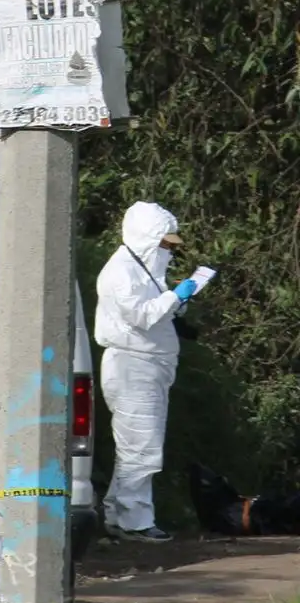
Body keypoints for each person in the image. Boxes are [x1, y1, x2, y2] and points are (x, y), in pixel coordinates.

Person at [93, 201, 197, 543]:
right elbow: (142, 315)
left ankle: (115, 515)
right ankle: (136, 522)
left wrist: (177, 299)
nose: (169, 250)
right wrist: (174, 297)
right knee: (141, 446)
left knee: (135, 445)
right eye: (165, 244)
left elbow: (156, 312)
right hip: (132, 366)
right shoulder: (121, 271)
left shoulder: (143, 270)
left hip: (149, 365)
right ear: (146, 239)